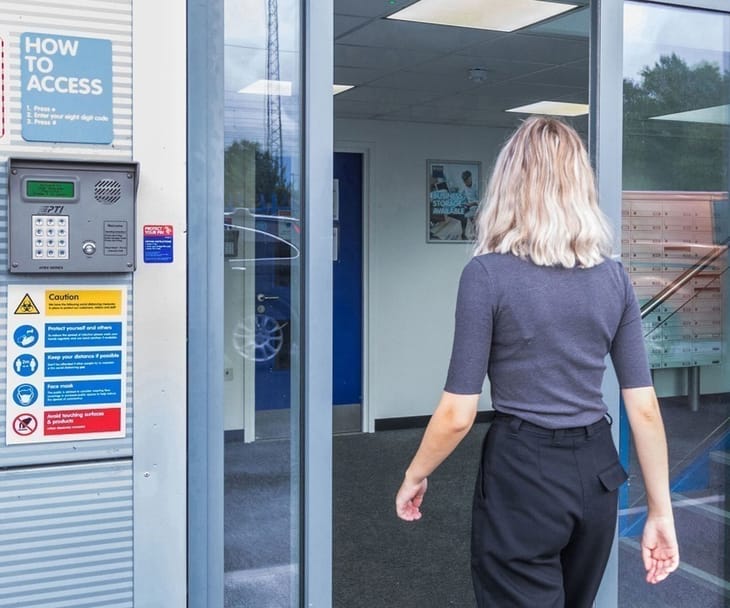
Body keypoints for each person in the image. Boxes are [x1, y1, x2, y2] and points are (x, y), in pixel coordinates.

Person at [395, 116, 679, 607]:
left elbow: (457, 415)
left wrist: (415, 473)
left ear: (509, 185)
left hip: (523, 474)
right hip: (597, 474)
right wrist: (661, 512)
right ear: (579, 187)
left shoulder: (486, 275)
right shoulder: (615, 279)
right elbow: (646, 409)